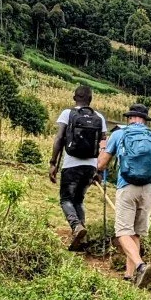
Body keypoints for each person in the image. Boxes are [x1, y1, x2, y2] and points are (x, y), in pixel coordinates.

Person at [96, 103, 151, 288]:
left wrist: (102, 149)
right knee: (136, 233)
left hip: (127, 187)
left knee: (122, 232)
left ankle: (139, 266)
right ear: (145, 120)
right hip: (148, 189)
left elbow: (101, 164)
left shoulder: (119, 134)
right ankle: (129, 276)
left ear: (129, 118)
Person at [49, 85, 107, 251]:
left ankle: (76, 226)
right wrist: (99, 170)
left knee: (66, 199)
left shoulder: (68, 113)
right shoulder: (99, 117)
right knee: (79, 200)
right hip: (90, 166)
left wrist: (53, 163)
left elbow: (59, 139)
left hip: (71, 165)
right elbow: (104, 145)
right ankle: (81, 236)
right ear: (90, 100)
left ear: (75, 98)